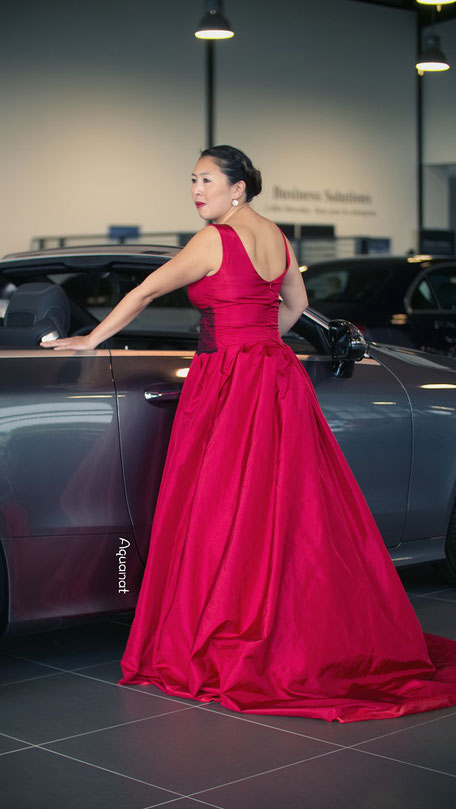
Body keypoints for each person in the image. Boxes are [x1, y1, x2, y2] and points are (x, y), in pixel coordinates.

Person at [42, 145, 456, 723]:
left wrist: (88, 340)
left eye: (205, 180)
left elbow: (144, 292)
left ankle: (227, 624)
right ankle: (287, 621)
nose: (195, 190)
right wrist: (260, 340)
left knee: (221, 505)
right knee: (282, 507)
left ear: (238, 187)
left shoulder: (215, 239)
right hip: (274, 375)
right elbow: (299, 304)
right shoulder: (278, 239)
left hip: (229, 382)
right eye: (191, 180)